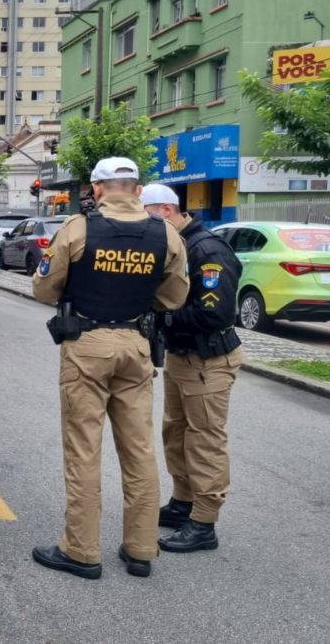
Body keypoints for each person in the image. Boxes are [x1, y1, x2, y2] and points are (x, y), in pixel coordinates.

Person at [30, 158, 189, 579]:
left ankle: (81, 550)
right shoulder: (167, 234)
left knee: (84, 449)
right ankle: (141, 549)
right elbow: (173, 296)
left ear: (97, 189)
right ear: (137, 190)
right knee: (139, 450)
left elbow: (44, 288)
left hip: (87, 345)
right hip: (137, 346)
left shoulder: (78, 229)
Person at [140, 183, 243, 554]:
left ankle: (204, 522)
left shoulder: (207, 250)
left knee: (205, 440)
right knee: (176, 433)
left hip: (208, 360)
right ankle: (184, 502)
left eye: (146, 215)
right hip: (183, 358)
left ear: (165, 211)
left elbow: (214, 313)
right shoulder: (177, 245)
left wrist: (160, 317)